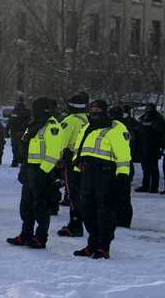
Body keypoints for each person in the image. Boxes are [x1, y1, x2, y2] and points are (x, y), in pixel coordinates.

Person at [71, 99, 131, 259]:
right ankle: (92, 245)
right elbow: (79, 149)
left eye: (98, 110)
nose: (94, 113)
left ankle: (104, 247)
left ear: (105, 111)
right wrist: (76, 169)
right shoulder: (86, 127)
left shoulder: (116, 128)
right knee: (87, 210)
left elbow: (124, 155)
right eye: (92, 110)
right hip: (87, 173)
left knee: (105, 212)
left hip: (106, 175)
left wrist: (123, 176)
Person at [8, 97, 64, 249]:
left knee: (40, 205)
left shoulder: (52, 127)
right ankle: (26, 234)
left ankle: (40, 237)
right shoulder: (33, 125)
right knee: (26, 206)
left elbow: (53, 153)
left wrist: (42, 172)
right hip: (29, 169)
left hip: (42, 171)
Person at [56, 92, 90, 238]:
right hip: (87, 162)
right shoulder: (88, 120)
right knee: (83, 193)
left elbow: (60, 142)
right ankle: (82, 223)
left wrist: (57, 159)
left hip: (72, 160)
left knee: (73, 193)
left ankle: (75, 225)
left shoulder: (70, 121)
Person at [134, 105, 164, 193]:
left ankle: (154, 187)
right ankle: (145, 185)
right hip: (144, 145)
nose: (148, 110)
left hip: (154, 146)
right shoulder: (144, 117)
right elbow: (139, 127)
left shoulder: (158, 118)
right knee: (145, 167)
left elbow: (159, 131)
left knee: (153, 167)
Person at [7, 96, 31, 168]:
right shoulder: (27, 111)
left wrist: (7, 130)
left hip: (15, 132)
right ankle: (21, 161)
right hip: (23, 132)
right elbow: (29, 122)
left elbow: (10, 122)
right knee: (23, 147)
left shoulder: (14, 111)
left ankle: (16, 161)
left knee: (15, 147)